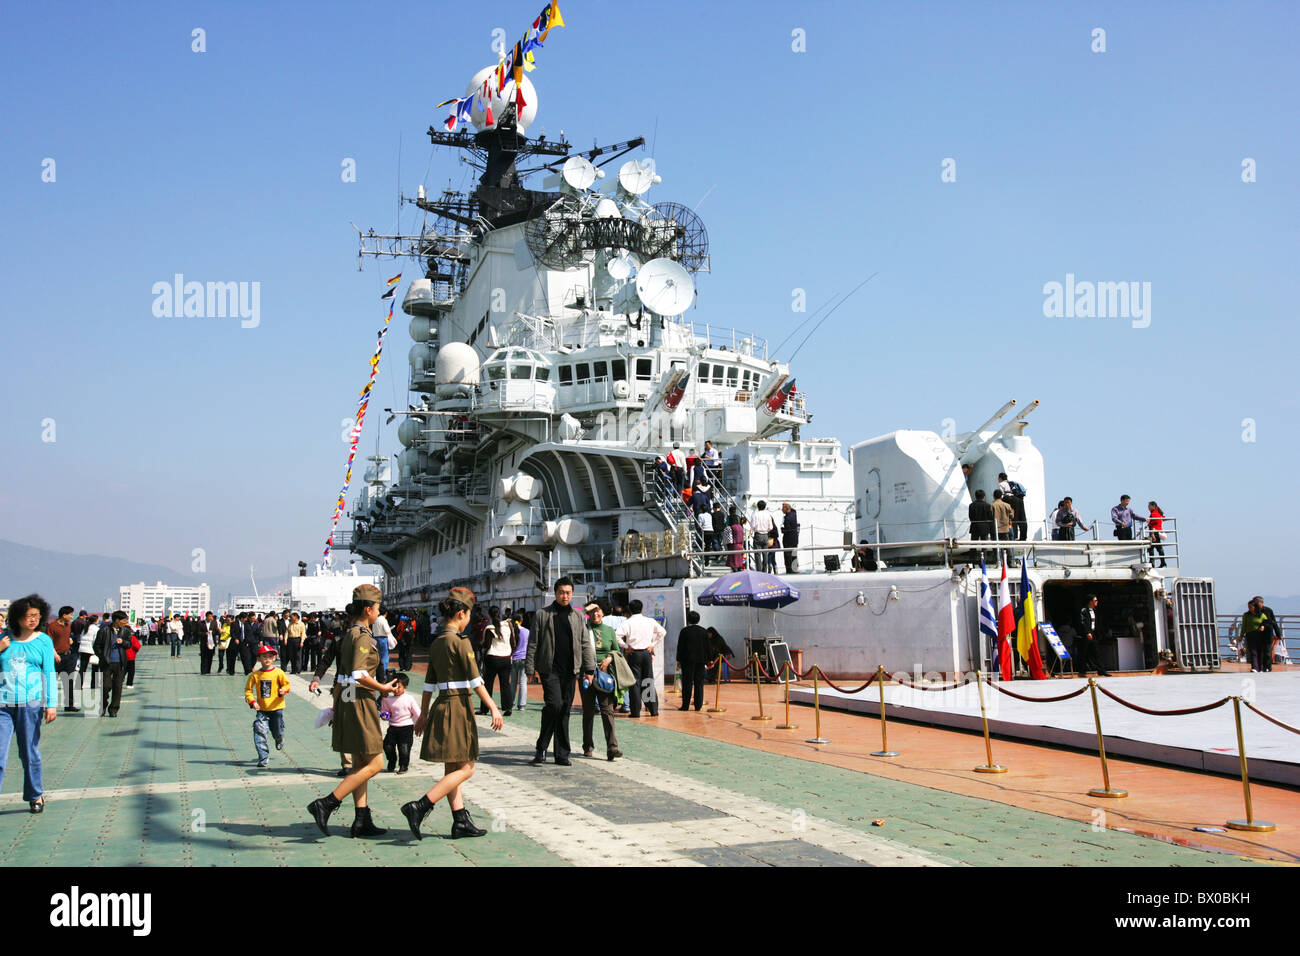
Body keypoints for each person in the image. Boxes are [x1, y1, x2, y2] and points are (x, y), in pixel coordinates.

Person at [401, 588, 503, 839]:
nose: (469, 619)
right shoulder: (460, 642)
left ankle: (460, 820)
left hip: (441, 705)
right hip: (459, 706)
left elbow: (427, 684)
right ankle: (421, 806)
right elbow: (476, 680)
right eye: (468, 614)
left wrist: (423, 714)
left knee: (452, 767)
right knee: (467, 767)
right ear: (461, 614)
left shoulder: (436, 643)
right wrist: (492, 706)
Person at [306, 585, 401, 838]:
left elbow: (345, 675)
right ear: (369, 609)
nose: (379, 613)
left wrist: (337, 706)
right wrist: (383, 687)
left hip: (348, 699)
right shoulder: (363, 636)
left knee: (360, 762)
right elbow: (360, 674)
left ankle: (361, 818)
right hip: (360, 702)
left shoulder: (349, 634)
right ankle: (327, 803)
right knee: (376, 761)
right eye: (378, 609)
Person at [524, 577, 594, 766]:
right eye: (561, 592)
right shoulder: (542, 614)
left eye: (568, 592)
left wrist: (589, 668)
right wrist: (530, 667)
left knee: (564, 710)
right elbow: (533, 643)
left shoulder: (578, 616)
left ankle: (562, 753)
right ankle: (542, 747)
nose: (565, 596)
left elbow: (585, 643)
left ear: (572, 594)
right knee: (554, 705)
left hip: (571, 671)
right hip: (549, 669)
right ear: (555, 593)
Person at [0, 594, 59, 812]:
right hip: (3, 704)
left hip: (30, 704)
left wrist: (51, 704)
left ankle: (35, 795)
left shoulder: (43, 640)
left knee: (29, 752)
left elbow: (49, 673)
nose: (32, 619)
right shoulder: (4, 638)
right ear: (16, 617)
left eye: (36, 615)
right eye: (27, 616)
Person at [580, 602, 622, 760]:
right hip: (586, 675)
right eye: (592, 612)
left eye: (598, 611)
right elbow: (576, 618)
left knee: (607, 711)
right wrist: (586, 608)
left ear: (603, 613)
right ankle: (587, 746)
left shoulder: (609, 631)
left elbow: (617, 651)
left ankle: (612, 747)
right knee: (588, 712)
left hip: (604, 676)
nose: (595, 614)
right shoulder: (583, 629)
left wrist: (609, 659)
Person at [615, 599, 666, 719]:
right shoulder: (649, 621)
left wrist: (626, 646)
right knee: (648, 680)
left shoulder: (627, 623)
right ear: (642, 609)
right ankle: (653, 710)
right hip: (647, 653)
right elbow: (662, 632)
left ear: (630, 609)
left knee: (635, 683)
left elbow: (617, 635)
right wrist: (652, 644)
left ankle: (636, 711)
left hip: (634, 654)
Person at [245, 644, 290, 768]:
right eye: (264, 657)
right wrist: (252, 702)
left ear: (274, 658)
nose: (267, 659)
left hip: (277, 708)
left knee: (277, 730)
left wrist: (283, 690)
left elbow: (286, 685)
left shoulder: (278, 673)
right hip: (262, 709)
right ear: (259, 658)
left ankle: (279, 738)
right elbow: (248, 690)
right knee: (259, 731)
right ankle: (263, 756)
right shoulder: (255, 675)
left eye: (270, 657)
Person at [93, 611, 132, 717]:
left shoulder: (125, 631)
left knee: (117, 687)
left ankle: (113, 709)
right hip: (107, 663)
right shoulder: (104, 630)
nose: (125, 622)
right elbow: (96, 646)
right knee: (106, 686)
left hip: (120, 663)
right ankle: (102, 706)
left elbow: (129, 644)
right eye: (124, 620)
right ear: (116, 620)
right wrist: (102, 657)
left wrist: (123, 642)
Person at [480, 606, 516, 717]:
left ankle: (485, 708)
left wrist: (480, 646)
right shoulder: (507, 626)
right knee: (505, 684)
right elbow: (513, 643)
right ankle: (508, 707)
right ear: (499, 613)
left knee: (488, 684)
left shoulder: (490, 628)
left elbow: (487, 645)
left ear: (489, 615)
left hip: (493, 658)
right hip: (506, 658)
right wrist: (510, 653)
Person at [381, 673, 419, 774]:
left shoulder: (409, 699)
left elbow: (417, 713)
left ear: (405, 687)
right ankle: (392, 760)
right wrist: (385, 716)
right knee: (387, 745)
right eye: (394, 686)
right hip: (393, 727)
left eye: (399, 687)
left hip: (406, 727)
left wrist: (420, 723)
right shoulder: (387, 699)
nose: (396, 689)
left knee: (404, 748)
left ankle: (403, 765)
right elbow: (386, 712)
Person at [675, 610, 710, 711]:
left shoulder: (684, 631)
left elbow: (680, 647)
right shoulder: (704, 631)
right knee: (699, 683)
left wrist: (678, 659)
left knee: (687, 683)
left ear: (689, 619)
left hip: (687, 660)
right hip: (701, 660)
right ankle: (698, 705)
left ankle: (685, 705)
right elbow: (707, 647)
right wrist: (708, 659)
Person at [47, 606, 79, 714]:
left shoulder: (68, 626)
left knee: (69, 681)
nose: (72, 616)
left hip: (68, 657)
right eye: (70, 614)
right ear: (64, 615)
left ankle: (69, 705)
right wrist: (55, 654)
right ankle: (47, 705)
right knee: (51, 682)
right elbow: (48, 643)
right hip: (56, 658)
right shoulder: (52, 626)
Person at [1075, 594, 1110, 677]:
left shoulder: (1095, 611)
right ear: (1090, 602)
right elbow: (1082, 622)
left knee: (1096, 652)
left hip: (1093, 633)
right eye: (1095, 600)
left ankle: (1101, 670)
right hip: (1086, 634)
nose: (1097, 602)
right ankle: (1082, 670)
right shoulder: (1083, 610)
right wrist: (1087, 632)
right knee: (1084, 652)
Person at [510, 610, 530, 712]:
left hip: (513, 658)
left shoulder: (511, 631)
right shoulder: (527, 631)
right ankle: (521, 705)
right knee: (523, 682)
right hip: (524, 658)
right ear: (521, 620)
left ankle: (511, 703)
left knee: (513, 682)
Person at [1146, 501, 1167, 568]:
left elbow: (1153, 525)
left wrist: (1152, 534)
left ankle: (1152, 563)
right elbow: (1162, 518)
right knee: (1158, 548)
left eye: (1149, 506)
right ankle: (1162, 562)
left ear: (1153, 506)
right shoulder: (1157, 513)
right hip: (1157, 532)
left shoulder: (1154, 514)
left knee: (1151, 548)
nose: (1148, 507)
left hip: (1154, 532)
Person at [780, 502, 799, 574]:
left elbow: (787, 529)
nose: (782, 510)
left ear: (787, 509)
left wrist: (782, 530)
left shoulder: (787, 518)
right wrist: (786, 504)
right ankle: (795, 569)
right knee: (794, 554)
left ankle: (789, 570)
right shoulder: (794, 514)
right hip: (795, 538)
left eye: (783, 508)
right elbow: (793, 510)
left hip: (788, 539)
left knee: (787, 554)